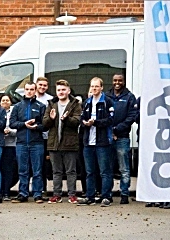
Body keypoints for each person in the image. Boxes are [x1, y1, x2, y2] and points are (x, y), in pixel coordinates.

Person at [42, 79, 81, 204]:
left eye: (63, 90)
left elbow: (76, 121)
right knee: (56, 171)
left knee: (71, 171)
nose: (61, 92)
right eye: (59, 90)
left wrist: (67, 119)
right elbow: (45, 123)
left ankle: (72, 195)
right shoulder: (51, 104)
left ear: (68, 91)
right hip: (54, 143)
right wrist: (51, 118)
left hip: (70, 143)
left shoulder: (75, 104)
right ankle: (56, 195)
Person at [77, 77, 114, 207]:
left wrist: (96, 122)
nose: (94, 89)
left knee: (105, 171)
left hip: (102, 142)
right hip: (88, 142)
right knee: (89, 171)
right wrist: (85, 123)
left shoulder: (107, 102)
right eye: (92, 86)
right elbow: (82, 118)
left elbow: (110, 120)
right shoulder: (87, 102)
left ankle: (106, 196)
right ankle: (90, 196)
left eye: (96, 86)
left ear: (101, 87)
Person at [9, 81, 47, 203]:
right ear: (24, 91)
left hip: (37, 142)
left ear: (35, 91)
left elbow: (45, 125)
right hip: (21, 142)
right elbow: (12, 124)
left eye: (32, 89)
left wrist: (36, 126)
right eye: (27, 89)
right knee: (22, 170)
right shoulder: (18, 107)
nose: (29, 91)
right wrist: (24, 124)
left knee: (37, 170)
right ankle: (23, 193)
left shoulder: (41, 106)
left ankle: (37, 194)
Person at [106, 74, 138, 204]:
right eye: (115, 80)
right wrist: (109, 128)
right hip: (107, 137)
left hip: (122, 137)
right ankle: (107, 194)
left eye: (120, 80)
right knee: (107, 168)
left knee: (124, 168)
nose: (117, 82)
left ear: (124, 81)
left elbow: (132, 116)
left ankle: (124, 193)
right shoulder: (106, 96)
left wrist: (117, 128)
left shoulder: (129, 97)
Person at [35, 77, 54, 198]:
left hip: (47, 135)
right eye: (40, 85)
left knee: (47, 163)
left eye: (45, 85)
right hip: (36, 136)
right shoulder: (32, 98)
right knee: (39, 163)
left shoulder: (50, 100)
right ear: (36, 85)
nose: (42, 87)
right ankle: (40, 188)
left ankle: (45, 188)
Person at [0, 94, 18, 201]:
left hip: (11, 145)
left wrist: (10, 131)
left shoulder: (14, 112)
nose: (5, 102)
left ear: (11, 102)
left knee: (9, 170)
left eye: (7, 100)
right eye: (3, 100)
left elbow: (17, 128)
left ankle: (6, 192)